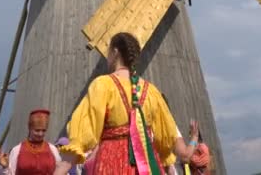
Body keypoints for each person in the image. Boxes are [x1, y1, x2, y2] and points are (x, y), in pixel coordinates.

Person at [54, 32, 180, 174]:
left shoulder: (103, 85)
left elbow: (83, 132)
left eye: (108, 52)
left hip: (112, 161)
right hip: (147, 163)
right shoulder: (152, 91)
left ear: (115, 52)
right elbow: (167, 139)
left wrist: (61, 168)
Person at [0, 109, 60, 175]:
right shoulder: (17, 150)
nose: (40, 134)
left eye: (43, 130)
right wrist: (5, 167)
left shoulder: (52, 149)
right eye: (37, 130)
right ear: (30, 128)